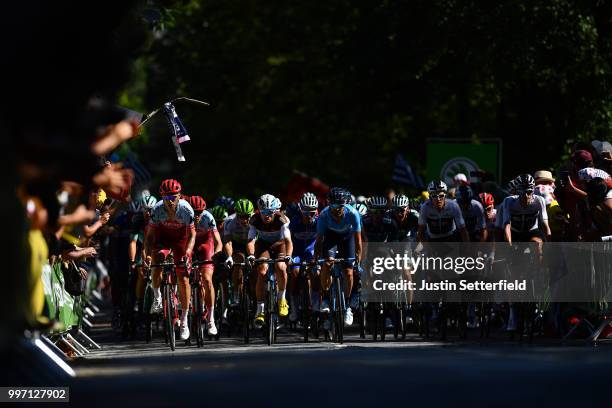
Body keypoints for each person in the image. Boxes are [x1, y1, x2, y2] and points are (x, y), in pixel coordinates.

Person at [144, 179, 196, 341]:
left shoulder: (187, 210)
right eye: (167, 197)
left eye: (174, 196)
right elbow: (150, 236)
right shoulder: (157, 210)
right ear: (162, 197)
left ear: (180, 196)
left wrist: (188, 251)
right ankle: (158, 296)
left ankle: (184, 320)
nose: (171, 200)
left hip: (181, 241)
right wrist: (147, 254)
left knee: (183, 278)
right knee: (157, 259)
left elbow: (193, 234)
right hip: (163, 239)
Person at [314, 187, 362, 327]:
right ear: (329, 204)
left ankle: (347, 306)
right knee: (327, 264)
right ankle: (327, 297)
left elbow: (358, 240)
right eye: (334, 205)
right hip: (331, 239)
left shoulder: (353, 213)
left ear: (345, 204)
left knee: (348, 271)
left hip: (347, 239)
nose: (337, 209)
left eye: (341, 205)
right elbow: (319, 241)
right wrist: (317, 259)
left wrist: (358, 259)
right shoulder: (323, 215)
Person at [246, 194, 292, 327]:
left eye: (270, 212)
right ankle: (260, 309)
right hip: (264, 245)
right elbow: (250, 240)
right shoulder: (254, 220)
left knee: (281, 267)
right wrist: (251, 254)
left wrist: (288, 255)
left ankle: (282, 298)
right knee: (261, 271)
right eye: (263, 212)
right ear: (259, 211)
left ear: (275, 211)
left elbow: (288, 241)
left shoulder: (282, 219)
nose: (267, 216)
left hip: (280, 244)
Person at [189, 195, 223, 335]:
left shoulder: (208, 217)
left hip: (205, 244)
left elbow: (218, 242)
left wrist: (217, 254)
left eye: (199, 212)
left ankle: (210, 318)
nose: (197, 215)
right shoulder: (183, 215)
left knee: (207, 279)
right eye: (194, 212)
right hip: (188, 244)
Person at [288, 192, 319, 322]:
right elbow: (286, 240)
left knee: (315, 273)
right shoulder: (294, 222)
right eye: (306, 213)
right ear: (301, 211)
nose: (310, 216)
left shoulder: (318, 221)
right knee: (294, 273)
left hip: (311, 251)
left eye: (312, 213)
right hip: (296, 252)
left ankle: (316, 303)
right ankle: (294, 307)